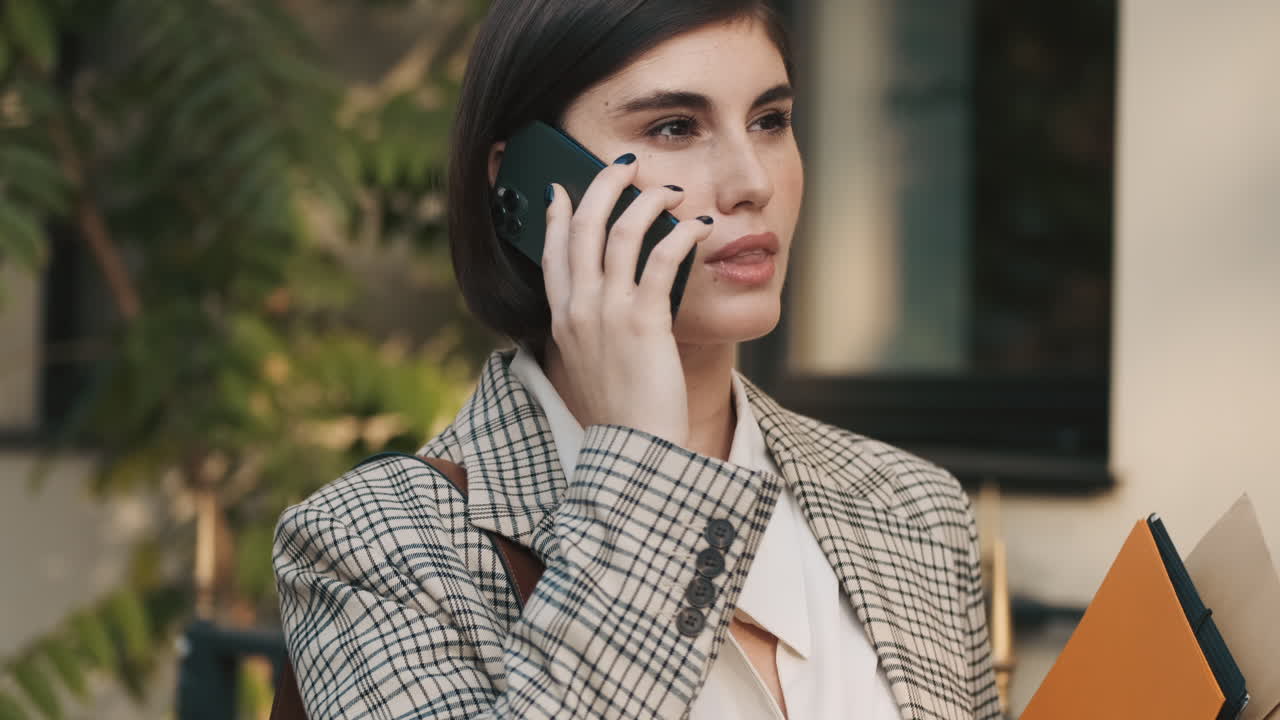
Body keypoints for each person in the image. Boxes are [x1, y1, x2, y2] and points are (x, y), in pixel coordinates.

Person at [272, 1, 1000, 718]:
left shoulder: (913, 508)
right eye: (674, 127)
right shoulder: (375, 544)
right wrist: (642, 460)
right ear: (524, 176)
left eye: (770, 120)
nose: (752, 182)